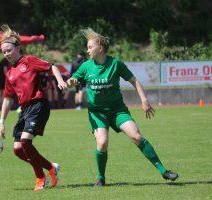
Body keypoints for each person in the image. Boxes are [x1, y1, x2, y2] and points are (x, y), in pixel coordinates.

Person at [67, 28, 178, 186]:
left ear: (101, 48)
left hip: (117, 110)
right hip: (97, 113)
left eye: (90, 47)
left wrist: (144, 100)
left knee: (136, 137)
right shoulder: (86, 66)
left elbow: (134, 81)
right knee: (102, 143)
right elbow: (74, 80)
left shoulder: (116, 64)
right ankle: (101, 179)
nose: (87, 50)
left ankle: (163, 171)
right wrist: (71, 82)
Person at [0, 24, 68, 191]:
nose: (6, 54)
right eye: (4, 51)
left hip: (38, 105)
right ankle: (50, 167)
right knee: (17, 150)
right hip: (25, 110)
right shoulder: (9, 73)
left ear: (17, 48)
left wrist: (59, 81)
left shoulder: (29, 61)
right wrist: (1, 121)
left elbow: (52, 66)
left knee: (25, 142)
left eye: (9, 50)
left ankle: (40, 178)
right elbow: (7, 99)